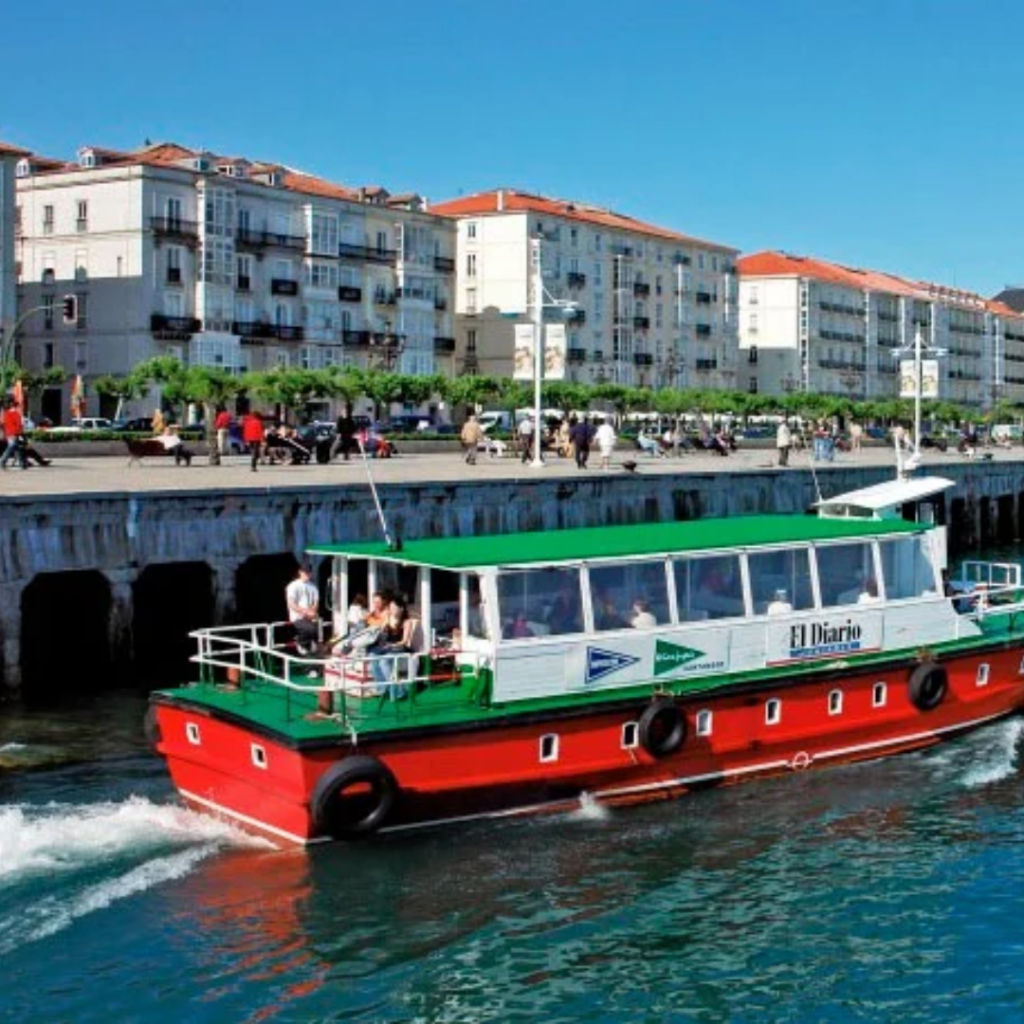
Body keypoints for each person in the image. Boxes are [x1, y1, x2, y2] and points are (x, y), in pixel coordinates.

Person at [370, 597, 417, 698]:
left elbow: (404, 641)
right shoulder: (388, 618)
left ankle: (399, 690)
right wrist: (384, 624)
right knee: (372, 657)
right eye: (390, 607)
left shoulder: (406, 622)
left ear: (401, 609)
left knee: (383, 661)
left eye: (394, 607)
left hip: (399, 647)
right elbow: (381, 634)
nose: (392, 610)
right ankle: (382, 688)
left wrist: (392, 645)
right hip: (387, 647)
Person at [285, 561, 320, 655]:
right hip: (297, 616)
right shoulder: (293, 586)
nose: (307, 574)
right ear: (300, 572)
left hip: (310, 616)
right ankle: (301, 642)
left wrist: (312, 612)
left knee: (315, 630)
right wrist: (305, 612)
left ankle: (309, 647)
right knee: (310, 629)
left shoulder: (313, 587)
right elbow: (291, 603)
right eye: (305, 572)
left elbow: (316, 602)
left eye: (309, 572)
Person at [0, 400, 28, 470]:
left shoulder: (6, 413)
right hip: (14, 433)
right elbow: (19, 425)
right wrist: (21, 433)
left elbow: (3, 424)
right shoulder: (16, 413)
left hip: (9, 433)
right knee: (12, 446)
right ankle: (2, 461)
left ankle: (22, 464)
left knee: (17, 448)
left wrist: (4, 433)